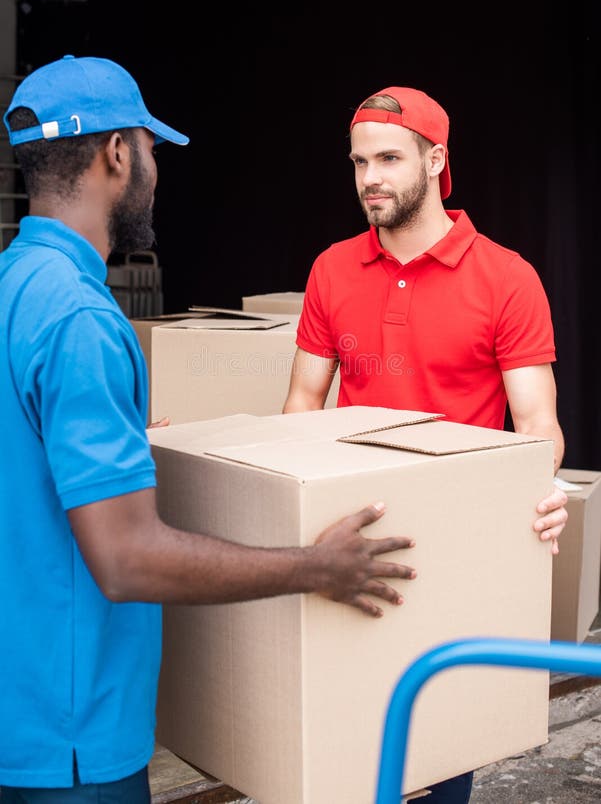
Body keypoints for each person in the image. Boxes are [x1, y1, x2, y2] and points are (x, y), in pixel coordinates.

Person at [0, 57, 418, 804]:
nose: (156, 170)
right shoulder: (82, 319)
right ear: (117, 154)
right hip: (71, 744)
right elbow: (126, 560)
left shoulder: (15, 285)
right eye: (151, 150)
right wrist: (313, 568)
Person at [283, 85, 569, 803]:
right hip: (349, 536)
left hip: (455, 543)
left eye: (386, 158)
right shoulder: (329, 269)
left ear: (435, 159)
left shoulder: (507, 279)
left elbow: (536, 425)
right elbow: (300, 406)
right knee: (341, 743)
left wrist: (541, 490)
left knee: (438, 748)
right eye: (357, 162)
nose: (368, 178)